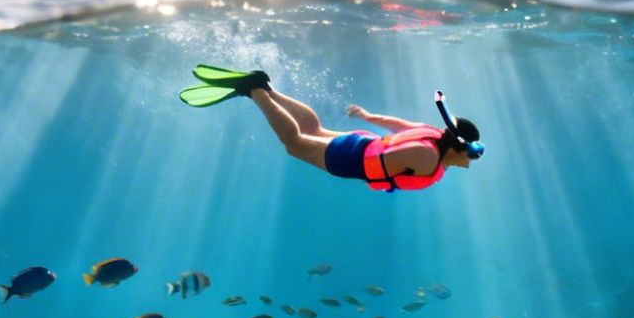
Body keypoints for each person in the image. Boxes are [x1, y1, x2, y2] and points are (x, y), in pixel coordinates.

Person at [180, 65, 482, 191]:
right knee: (294, 142)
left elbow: (399, 125)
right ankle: (254, 91)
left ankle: (266, 87)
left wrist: (368, 116)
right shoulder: (428, 158)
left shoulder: (431, 136)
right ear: (458, 146)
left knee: (313, 126)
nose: (471, 162)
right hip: (353, 158)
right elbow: (382, 165)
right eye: (472, 155)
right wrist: (367, 172)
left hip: (363, 142)